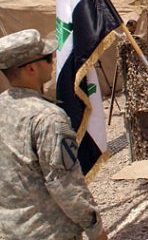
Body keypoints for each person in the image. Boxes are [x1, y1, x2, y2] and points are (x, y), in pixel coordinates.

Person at [0, 29, 107, 240]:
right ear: (31, 68)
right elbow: (64, 185)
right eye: (48, 58)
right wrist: (96, 230)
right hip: (49, 231)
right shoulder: (47, 117)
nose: (53, 61)